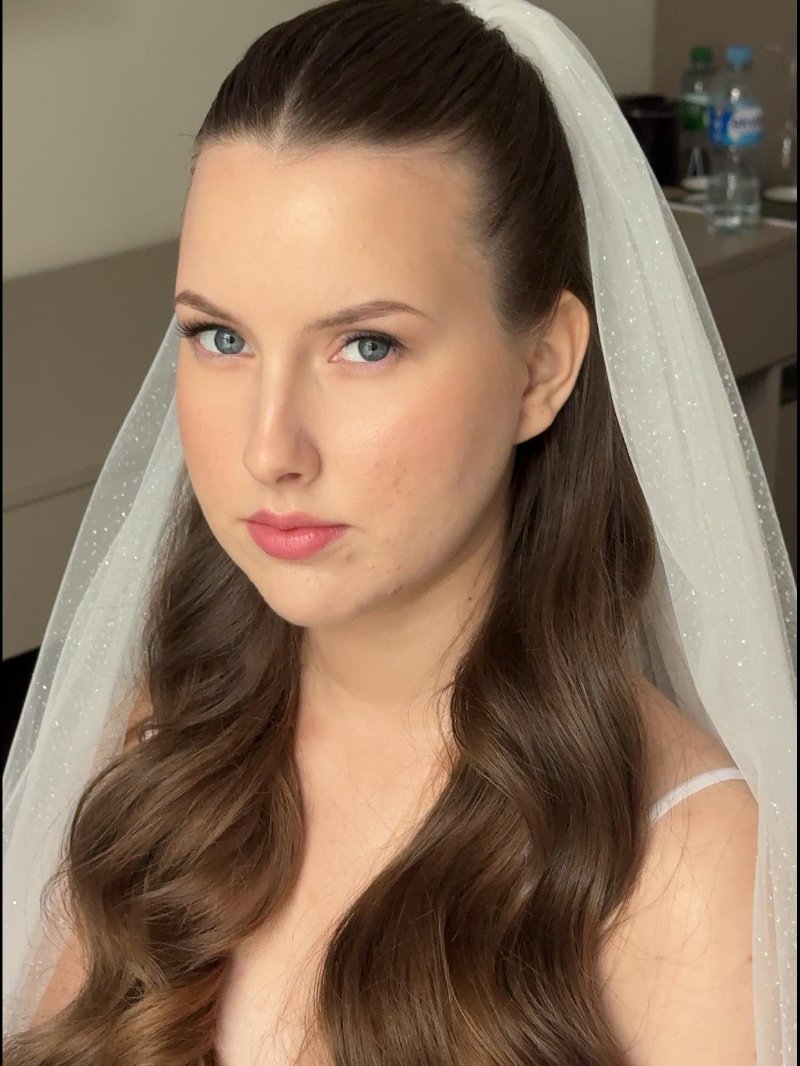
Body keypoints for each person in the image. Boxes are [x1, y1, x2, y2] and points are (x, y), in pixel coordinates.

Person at [3, 0, 795, 1063]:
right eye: (221, 337)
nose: (270, 449)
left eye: (365, 346)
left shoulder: (689, 873)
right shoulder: (170, 745)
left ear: (541, 368)